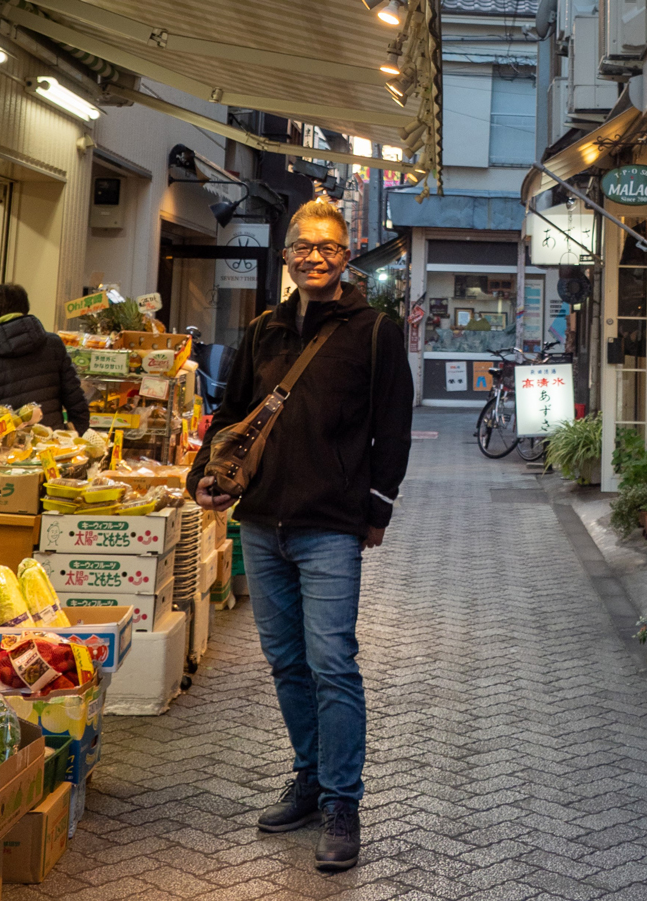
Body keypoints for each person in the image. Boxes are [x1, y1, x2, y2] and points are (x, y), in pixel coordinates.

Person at [188, 199, 413, 871]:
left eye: (329, 247)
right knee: (287, 662)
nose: (315, 256)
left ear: (349, 255)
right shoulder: (262, 330)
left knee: (332, 663)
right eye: (303, 246)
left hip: (330, 527)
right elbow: (230, 413)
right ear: (286, 256)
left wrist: (375, 508)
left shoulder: (375, 331)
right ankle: (309, 777)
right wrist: (203, 473)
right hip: (260, 521)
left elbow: (392, 426)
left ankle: (343, 803)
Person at [0, 283, 89, 433]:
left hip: (6, 446)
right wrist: (75, 431)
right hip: (51, 444)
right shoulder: (53, 344)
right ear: (25, 310)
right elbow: (75, 396)